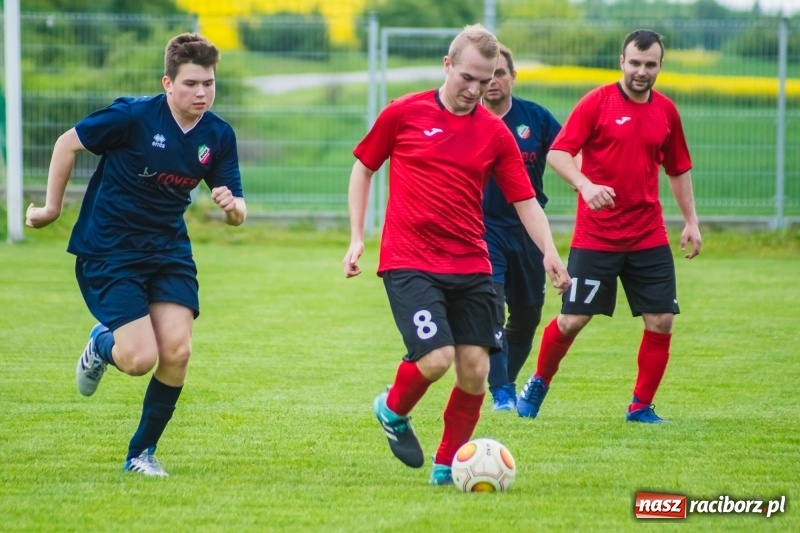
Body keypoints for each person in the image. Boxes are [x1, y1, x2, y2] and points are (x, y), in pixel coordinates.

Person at [343, 24, 571, 485]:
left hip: (471, 262)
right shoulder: (403, 113)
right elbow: (364, 168)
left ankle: (447, 467)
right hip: (409, 259)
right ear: (447, 66)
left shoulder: (494, 133)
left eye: (485, 81)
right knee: (436, 358)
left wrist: (549, 250)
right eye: (467, 77)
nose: (475, 90)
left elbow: (526, 201)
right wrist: (356, 236)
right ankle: (392, 409)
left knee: (475, 370)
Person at [26, 33, 247, 476]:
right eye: (190, 84)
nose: (201, 93)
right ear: (167, 83)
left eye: (208, 83)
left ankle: (140, 454)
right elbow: (67, 143)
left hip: (167, 250)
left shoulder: (218, 135)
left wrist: (232, 209)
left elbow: (238, 211)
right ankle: (101, 344)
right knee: (138, 359)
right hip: (110, 249)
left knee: (179, 352)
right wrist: (52, 208)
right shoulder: (131, 116)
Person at [516, 29, 702, 423]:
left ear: (660, 67)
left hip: (648, 234)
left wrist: (691, 221)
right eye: (635, 63)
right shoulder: (597, 103)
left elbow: (678, 167)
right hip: (597, 235)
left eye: (650, 65)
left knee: (662, 319)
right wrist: (585, 184)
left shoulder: (666, 111)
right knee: (572, 320)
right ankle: (538, 381)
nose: (641, 71)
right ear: (622, 61)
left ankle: (640, 406)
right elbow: (558, 153)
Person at [481, 44, 562, 412]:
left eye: (500, 73)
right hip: (484, 228)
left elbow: (568, 153)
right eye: (488, 74)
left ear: (513, 77)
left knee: (527, 314)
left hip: (529, 229)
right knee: (491, 306)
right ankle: (500, 393)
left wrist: (588, 181)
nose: (493, 80)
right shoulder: (468, 120)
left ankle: (507, 382)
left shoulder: (537, 118)